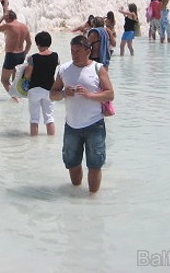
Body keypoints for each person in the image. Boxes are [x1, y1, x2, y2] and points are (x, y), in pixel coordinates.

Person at [50, 35, 114, 193]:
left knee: (95, 164)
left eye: (78, 51)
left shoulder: (98, 69)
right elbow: (52, 94)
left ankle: (93, 202)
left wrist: (90, 95)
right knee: (71, 162)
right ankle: (75, 198)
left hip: (94, 125)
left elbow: (110, 94)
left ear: (88, 51)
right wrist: (64, 93)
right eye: (72, 51)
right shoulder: (64, 69)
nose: (74, 55)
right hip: (72, 126)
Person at [0, 0, 32, 93]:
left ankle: (14, 98)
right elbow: (29, 43)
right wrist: (24, 53)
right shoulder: (24, 26)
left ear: (8, 18)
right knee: (15, 80)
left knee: (4, 80)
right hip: (21, 55)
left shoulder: (9, 26)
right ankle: (18, 97)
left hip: (11, 55)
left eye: (6, 19)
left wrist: (2, 17)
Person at [23, 31, 59, 136]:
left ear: (38, 44)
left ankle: (33, 144)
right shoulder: (56, 56)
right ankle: (51, 142)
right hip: (49, 89)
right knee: (49, 118)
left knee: (34, 118)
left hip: (34, 89)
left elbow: (27, 75)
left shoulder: (32, 58)